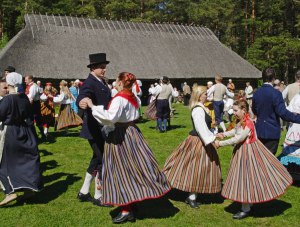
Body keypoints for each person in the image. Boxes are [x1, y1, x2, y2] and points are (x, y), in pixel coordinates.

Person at [83, 72, 171, 224]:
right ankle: (132, 201)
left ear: (121, 83)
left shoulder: (119, 99)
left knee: (119, 171)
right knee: (133, 168)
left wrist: (92, 106)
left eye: (117, 81)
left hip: (120, 136)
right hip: (132, 133)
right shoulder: (134, 97)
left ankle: (126, 209)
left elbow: (110, 118)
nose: (115, 83)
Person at [215, 100, 293, 219]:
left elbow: (238, 138)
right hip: (244, 151)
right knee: (247, 178)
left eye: (236, 110)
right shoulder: (241, 121)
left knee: (245, 179)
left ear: (244, 110)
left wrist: (220, 143)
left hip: (248, 152)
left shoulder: (248, 123)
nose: (234, 113)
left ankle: (245, 209)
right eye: (233, 110)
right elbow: (235, 131)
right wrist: (224, 134)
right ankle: (249, 203)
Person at [163, 86, 221, 209]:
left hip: (203, 140)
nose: (207, 96)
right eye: (205, 94)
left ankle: (194, 194)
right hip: (198, 142)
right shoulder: (198, 110)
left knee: (201, 169)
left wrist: (214, 132)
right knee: (195, 168)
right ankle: (191, 196)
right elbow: (200, 128)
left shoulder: (202, 107)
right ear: (199, 95)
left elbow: (205, 126)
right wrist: (212, 140)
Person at [0, 73, 42, 206]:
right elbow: (30, 116)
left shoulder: (7, 100)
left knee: (3, 162)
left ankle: (10, 191)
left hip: (10, 131)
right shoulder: (24, 98)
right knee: (24, 161)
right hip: (24, 130)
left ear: (9, 83)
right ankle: (28, 190)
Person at [76, 53, 112, 206]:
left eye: (105, 67)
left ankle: (84, 192)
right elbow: (83, 95)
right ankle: (98, 195)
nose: (104, 70)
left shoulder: (100, 81)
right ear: (93, 68)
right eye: (102, 68)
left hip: (100, 128)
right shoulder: (90, 82)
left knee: (96, 159)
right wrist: (82, 101)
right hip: (94, 129)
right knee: (101, 160)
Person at [252, 68, 300, 155]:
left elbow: (254, 110)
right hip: (271, 132)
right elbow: (283, 113)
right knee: (269, 161)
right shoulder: (276, 93)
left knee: (260, 159)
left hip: (259, 130)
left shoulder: (256, 93)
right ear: (274, 78)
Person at [25, 75, 46, 140]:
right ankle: (36, 136)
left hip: (34, 105)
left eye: (26, 79)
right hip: (33, 104)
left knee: (35, 120)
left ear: (30, 79)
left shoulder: (33, 86)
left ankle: (39, 136)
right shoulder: (30, 86)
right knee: (33, 120)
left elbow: (31, 98)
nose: (24, 81)